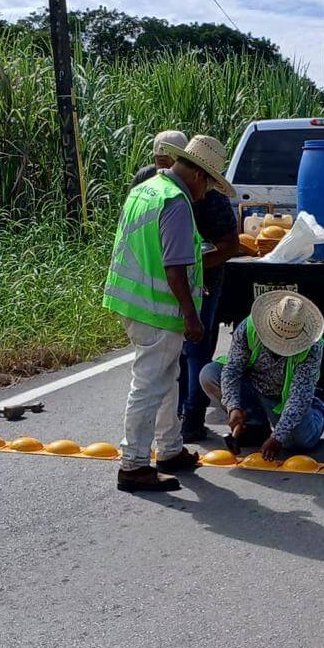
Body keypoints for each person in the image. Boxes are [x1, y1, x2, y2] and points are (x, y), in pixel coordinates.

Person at [103, 134, 235, 493]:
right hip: (158, 307)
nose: (206, 193)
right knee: (149, 384)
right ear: (196, 174)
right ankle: (133, 464)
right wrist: (192, 317)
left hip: (134, 299)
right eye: (207, 183)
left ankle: (170, 449)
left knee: (165, 377)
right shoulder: (175, 202)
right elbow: (174, 266)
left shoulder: (146, 189)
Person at [199, 291, 324, 461]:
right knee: (209, 374)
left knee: (299, 442)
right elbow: (232, 370)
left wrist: (277, 438)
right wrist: (233, 407)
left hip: (281, 396)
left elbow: (298, 397)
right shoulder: (248, 327)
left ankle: (323, 409)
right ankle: (254, 426)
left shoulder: (312, 346)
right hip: (252, 384)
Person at [178, 188, 241, 442]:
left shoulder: (155, 189)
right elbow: (230, 245)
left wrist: (190, 265)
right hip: (185, 280)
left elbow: (228, 246)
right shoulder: (204, 195)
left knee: (190, 349)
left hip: (184, 279)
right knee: (192, 350)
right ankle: (187, 417)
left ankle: (187, 417)